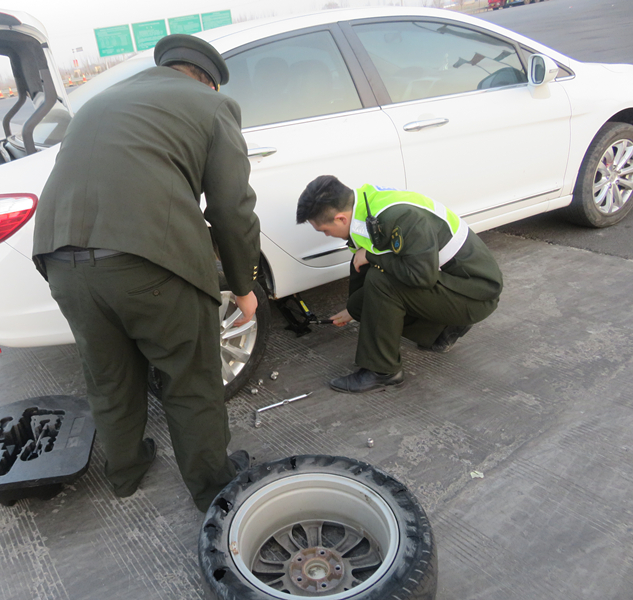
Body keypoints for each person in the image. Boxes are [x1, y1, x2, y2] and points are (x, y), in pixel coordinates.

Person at [32, 34, 261, 511]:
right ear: (209, 81)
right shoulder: (212, 106)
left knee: (108, 376)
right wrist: (243, 285)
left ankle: (125, 472)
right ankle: (212, 488)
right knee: (190, 379)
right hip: (150, 264)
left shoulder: (98, 103)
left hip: (61, 263)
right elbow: (231, 209)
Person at [296, 176, 503, 393]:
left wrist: (372, 257)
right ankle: (442, 329)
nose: (327, 235)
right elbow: (362, 264)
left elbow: (420, 276)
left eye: (325, 230)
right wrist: (354, 309)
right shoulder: (363, 209)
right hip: (450, 283)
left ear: (340, 219)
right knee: (364, 301)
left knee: (382, 282)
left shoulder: (403, 217)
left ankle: (383, 371)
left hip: (476, 294)